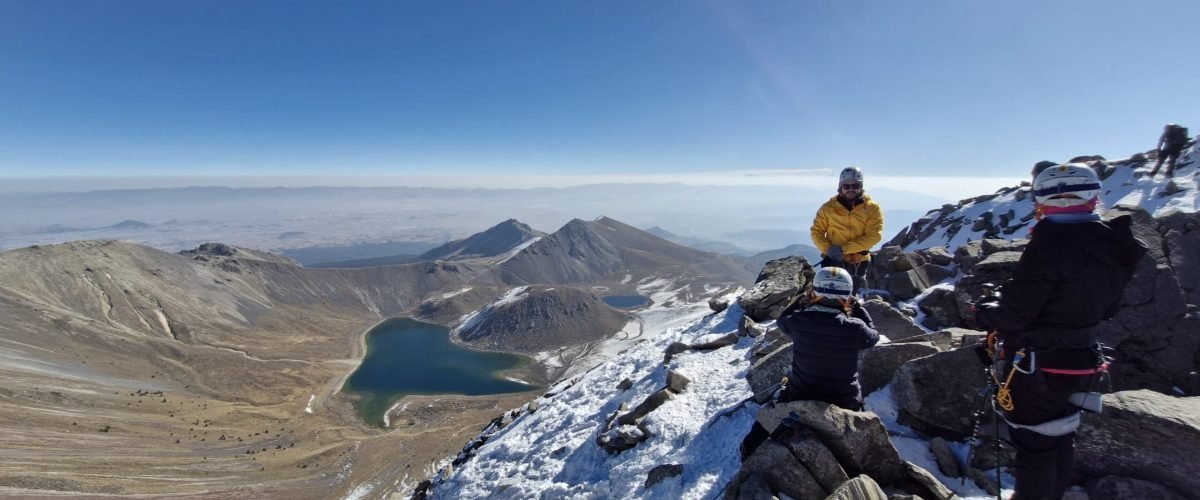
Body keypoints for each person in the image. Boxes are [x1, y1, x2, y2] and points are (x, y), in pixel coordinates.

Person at [975, 163, 1146, 500]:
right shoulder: (1114, 243)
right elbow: (1108, 309)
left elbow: (1014, 315)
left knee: (1035, 445)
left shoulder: (1050, 244)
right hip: (1082, 358)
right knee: (1060, 436)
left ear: (1041, 199)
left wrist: (984, 310)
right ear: (1094, 196)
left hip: (1036, 365)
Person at [776, 267, 880, 410]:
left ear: (814, 293)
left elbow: (781, 319)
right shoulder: (855, 328)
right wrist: (858, 308)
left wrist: (800, 300)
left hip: (801, 394)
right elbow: (874, 336)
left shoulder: (798, 321)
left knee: (789, 377)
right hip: (844, 401)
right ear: (847, 296)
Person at [811, 167, 884, 294]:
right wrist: (827, 248)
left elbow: (874, 236)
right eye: (846, 186)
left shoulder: (872, 208)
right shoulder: (828, 208)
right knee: (829, 297)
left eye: (855, 186)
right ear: (840, 187)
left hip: (858, 262)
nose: (850, 189)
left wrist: (843, 249)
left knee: (848, 297)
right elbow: (817, 231)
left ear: (861, 186)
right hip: (833, 259)